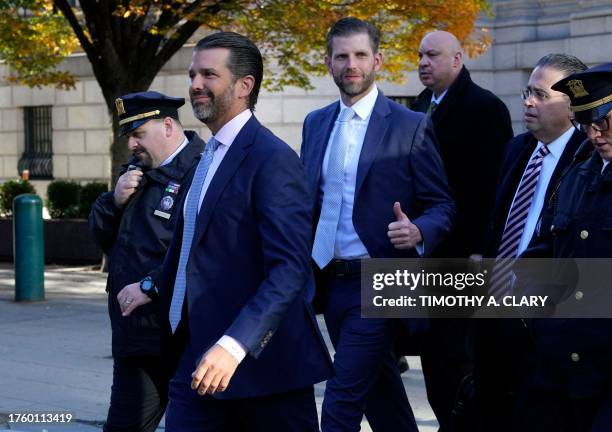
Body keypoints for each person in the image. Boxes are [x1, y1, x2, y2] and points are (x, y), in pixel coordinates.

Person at [120, 32, 333, 431]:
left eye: (209, 75)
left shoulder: (272, 160)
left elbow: (289, 270)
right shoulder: (207, 156)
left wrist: (235, 345)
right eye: (193, 74)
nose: (195, 85)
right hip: (194, 360)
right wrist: (150, 286)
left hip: (262, 373)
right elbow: (191, 247)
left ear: (244, 85)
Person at [300, 17, 454, 431]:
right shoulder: (315, 124)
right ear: (328, 62)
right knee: (382, 398)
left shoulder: (410, 125)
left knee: (340, 403)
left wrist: (420, 230)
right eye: (342, 56)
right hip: (330, 281)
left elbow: (442, 205)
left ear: (378, 60)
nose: (352, 64)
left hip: (386, 278)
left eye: (361, 55)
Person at [475, 54, 587, 432]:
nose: (528, 102)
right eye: (528, 92)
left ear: (572, 106)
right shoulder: (518, 149)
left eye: (541, 95)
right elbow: (499, 224)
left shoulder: (588, 157)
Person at [410, 30, 513, 431]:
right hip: (423, 256)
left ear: (457, 59)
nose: (422, 62)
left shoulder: (485, 108)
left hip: (465, 259)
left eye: (432, 55)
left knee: (458, 366)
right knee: (433, 362)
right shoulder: (419, 106)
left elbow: (493, 189)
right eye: (420, 54)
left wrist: (481, 250)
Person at [88, 91, 205, 432]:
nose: (132, 145)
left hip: (179, 335)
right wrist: (114, 200)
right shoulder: (137, 171)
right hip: (135, 336)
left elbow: (200, 250)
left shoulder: (202, 170)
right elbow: (100, 236)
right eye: (129, 136)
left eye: (138, 134)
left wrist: (150, 285)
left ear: (168, 126)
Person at [512, 62, 612, 432]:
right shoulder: (576, 175)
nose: (596, 134)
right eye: (587, 124)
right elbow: (544, 247)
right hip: (559, 369)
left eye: (605, 122)